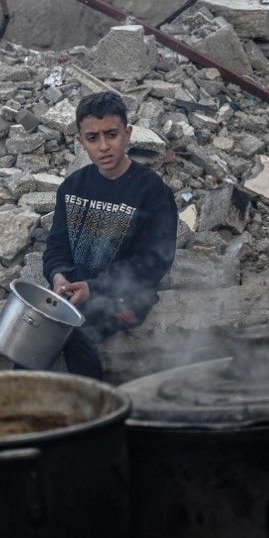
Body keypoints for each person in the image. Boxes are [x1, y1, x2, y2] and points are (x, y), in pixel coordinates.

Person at [42, 91, 177, 379]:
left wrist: (96, 288)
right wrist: (58, 277)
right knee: (34, 330)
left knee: (77, 332)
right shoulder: (72, 188)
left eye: (111, 134)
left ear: (127, 134)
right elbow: (56, 248)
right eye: (93, 138)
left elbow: (155, 262)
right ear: (80, 142)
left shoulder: (152, 192)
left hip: (125, 299)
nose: (104, 146)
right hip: (77, 294)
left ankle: (95, 409)